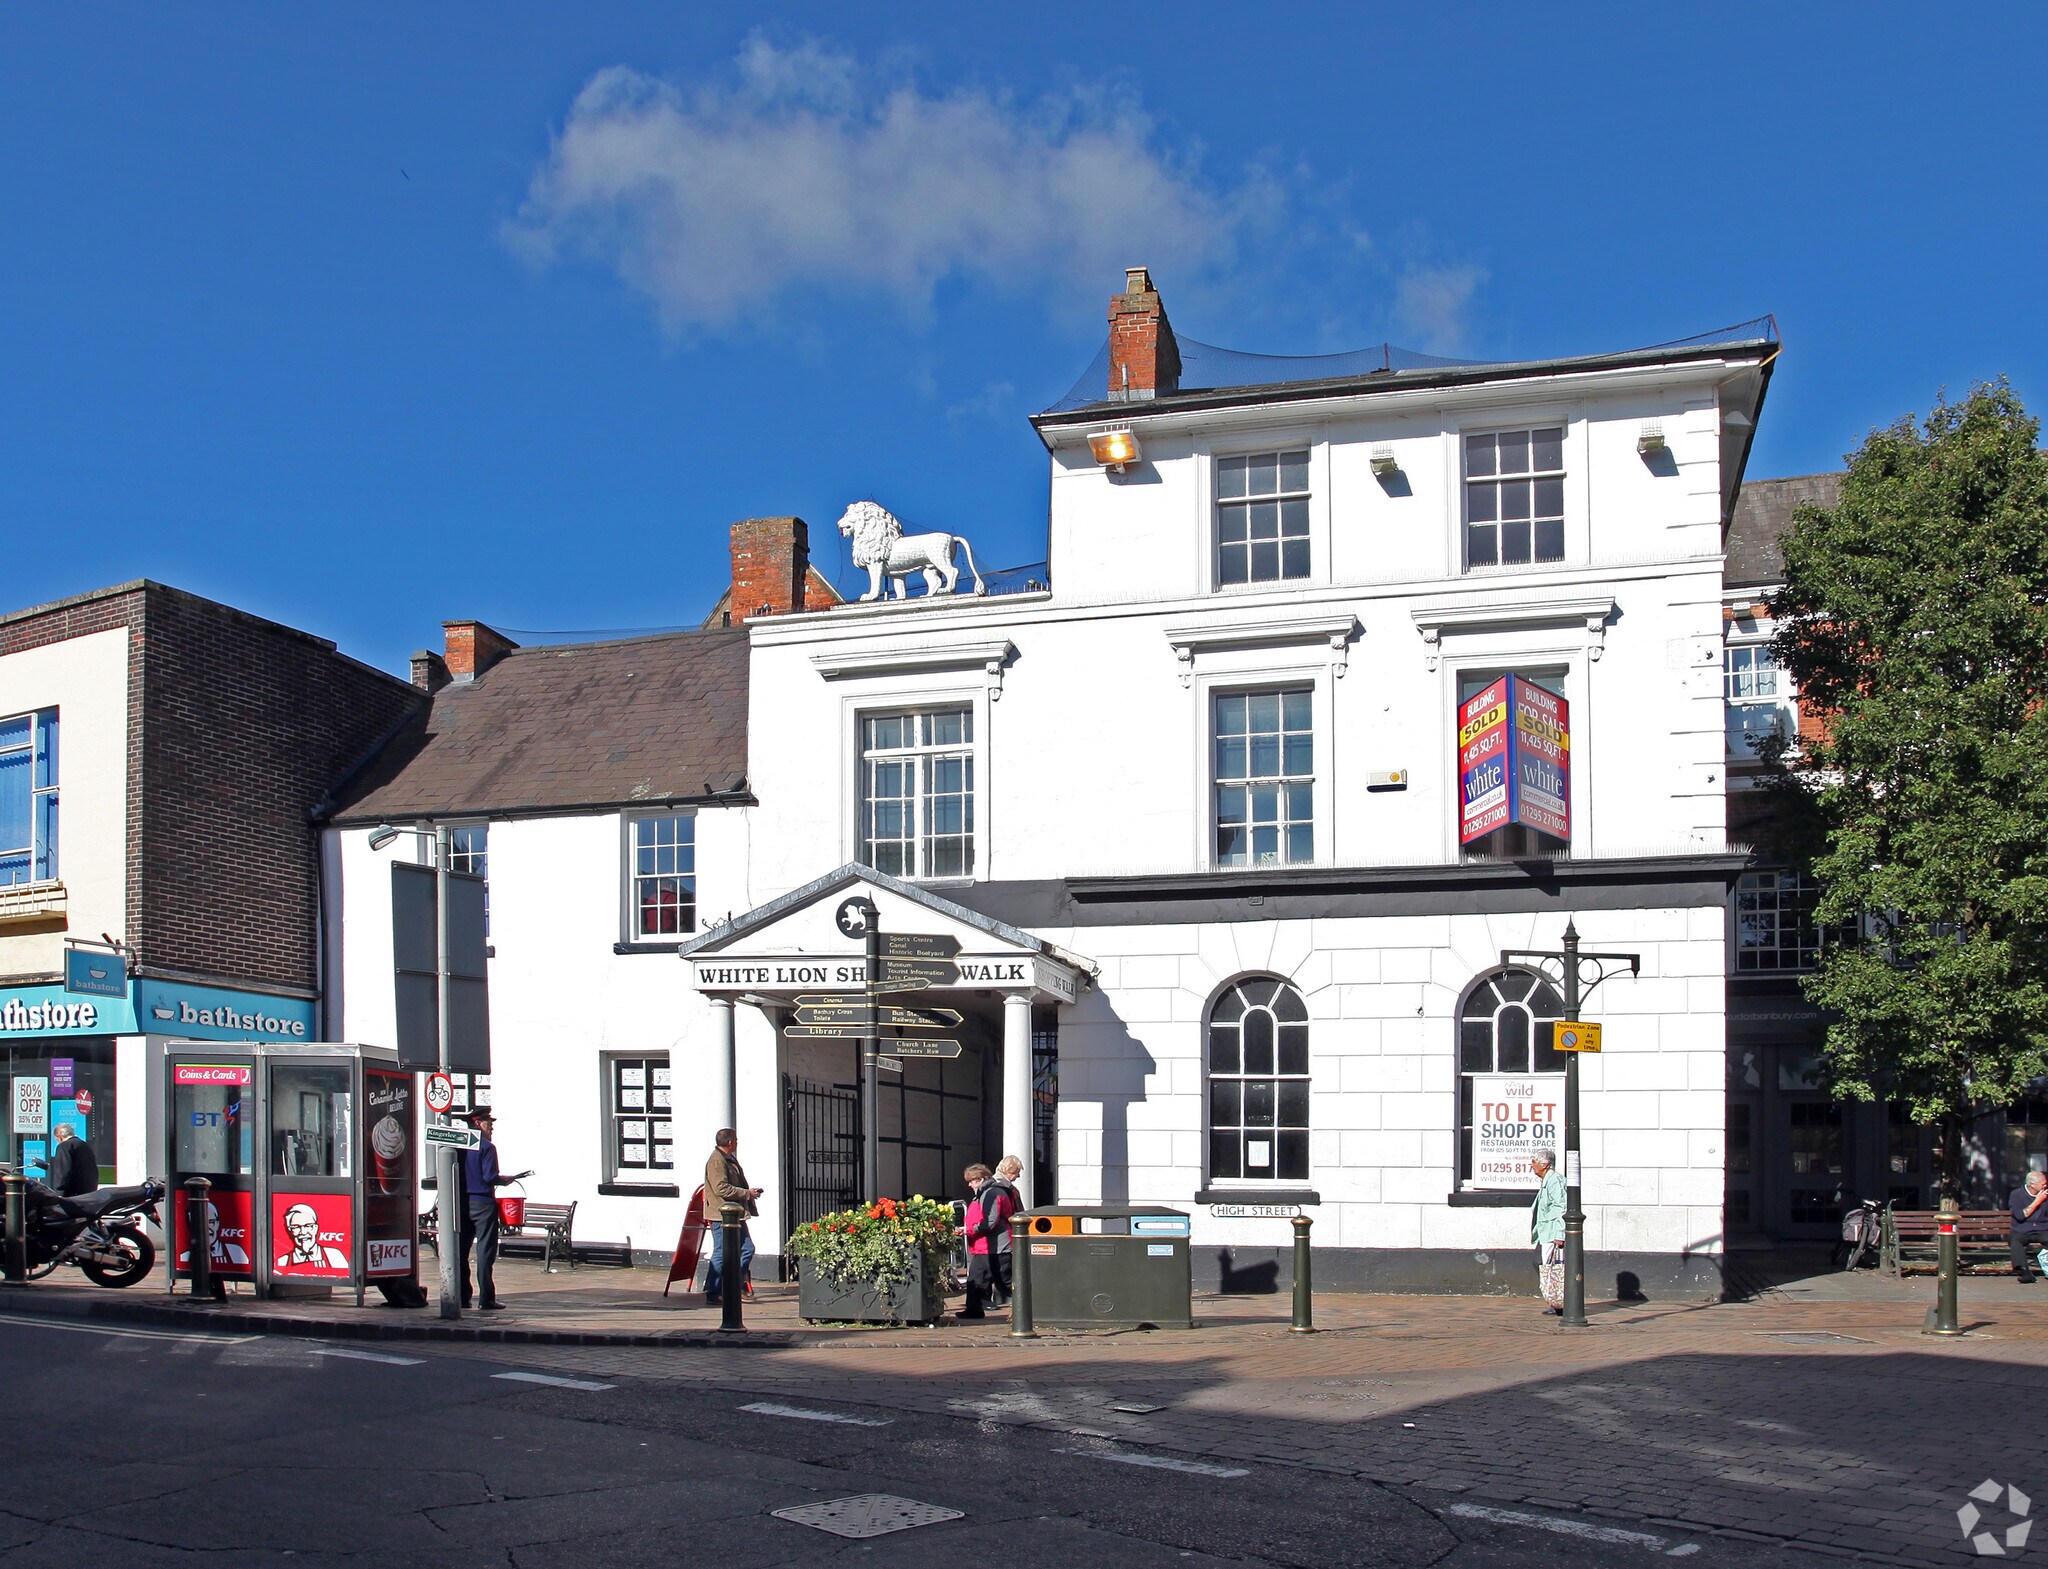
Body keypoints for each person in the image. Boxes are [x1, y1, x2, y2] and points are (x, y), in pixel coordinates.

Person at [460, 1111, 514, 1310]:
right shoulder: (487, 1148)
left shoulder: (459, 1147)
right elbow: (490, 1176)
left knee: (461, 1251)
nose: (491, 1127)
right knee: (485, 1252)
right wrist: (505, 1180)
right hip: (483, 1203)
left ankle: (462, 1297)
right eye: (488, 1123)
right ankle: (486, 1298)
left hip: (463, 1204)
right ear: (477, 1124)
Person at [702, 1127, 761, 1303]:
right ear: (729, 1142)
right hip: (721, 1215)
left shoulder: (728, 1158)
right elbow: (721, 1188)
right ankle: (713, 1291)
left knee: (747, 1248)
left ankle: (733, 1285)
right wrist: (747, 1194)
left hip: (735, 1214)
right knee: (721, 1253)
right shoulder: (717, 1161)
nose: (737, 1142)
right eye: (735, 1139)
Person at [975, 1155, 1023, 1306]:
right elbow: (1017, 1213)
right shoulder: (1004, 1190)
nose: (1018, 1176)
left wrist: (975, 1228)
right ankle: (1014, 1303)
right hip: (1003, 1238)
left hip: (995, 1239)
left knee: (994, 1273)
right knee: (1003, 1274)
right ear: (1009, 1171)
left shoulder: (993, 1189)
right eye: (1017, 1173)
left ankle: (1000, 1302)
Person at [1530, 1148, 1567, 1314]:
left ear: (1544, 1164)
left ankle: (1559, 1302)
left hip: (1553, 1233)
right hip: (1546, 1232)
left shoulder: (1554, 1180)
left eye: (1534, 1162)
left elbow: (1561, 1207)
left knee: (1554, 1268)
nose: (1532, 1166)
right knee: (1546, 1267)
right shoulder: (1547, 1180)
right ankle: (1555, 1301)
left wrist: (1560, 1235)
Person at [956, 1164, 995, 1319]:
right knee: (978, 1278)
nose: (969, 1184)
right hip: (979, 1244)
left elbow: (987, 1221)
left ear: (980, 1180)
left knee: (976, 1279)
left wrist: (968, 1230)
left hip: (984, 1245)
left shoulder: (986, 1195)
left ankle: (975, 1309)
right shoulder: (980, 1195)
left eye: (972, 1181)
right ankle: (976, 1308)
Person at [274, 1202, 349, 1271]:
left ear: (316, 1228)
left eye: (308, 1226)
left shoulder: (334, 1255)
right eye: (296, 1227)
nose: (303, 1232)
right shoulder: (282, 1261)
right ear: (290, 1230)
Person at [2010, 1169, 2048, 1282]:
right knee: (2015, 1241)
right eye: (2043, 1184)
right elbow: (2021, 1216)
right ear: (2032, 1185)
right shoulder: (2016, 1195)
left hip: (2042, 1229)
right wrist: (2038, 1201)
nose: (2045, 1186)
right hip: (2023, 1230)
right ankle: (2024, 1272)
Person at [45, 1122, 98, 1197]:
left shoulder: (64, 1146)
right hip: (88, 1193)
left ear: (59, 1136)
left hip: (72, 1195)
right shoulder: (85, 1145)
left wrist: (59, 1193)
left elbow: (63, 1172)